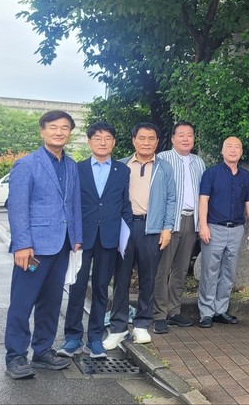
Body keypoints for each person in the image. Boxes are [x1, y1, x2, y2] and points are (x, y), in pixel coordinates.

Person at [4, 110, 82, 379]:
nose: (59, 132)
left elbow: (73, 204)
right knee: (22, 302)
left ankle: (42, 351)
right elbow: (17, 207)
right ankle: (15, 356)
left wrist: (77, 238)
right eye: (53, 127)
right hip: (33, 249)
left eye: (65, 128)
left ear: (69, 133)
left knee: (51, 302)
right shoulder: (27, 164)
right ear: (42, 131)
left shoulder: (71, 165)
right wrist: (22, 244)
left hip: (62, 245)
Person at [58, 122, 133, 359]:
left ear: (114, 142)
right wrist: (71, 235)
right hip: (81, 238)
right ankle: (72, 337)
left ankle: (95, 339)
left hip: (109, 238)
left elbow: (124, 205)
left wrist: (126, 236)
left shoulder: (122, 171)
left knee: (101, 288)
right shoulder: (77, 168)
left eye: (107, 138)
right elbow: (70, 204)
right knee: (77, 286)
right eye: (97, 138)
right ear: (89, 141)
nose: (102, 142)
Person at [103, 122, 176, 350]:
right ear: (134, 140)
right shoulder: (120, 165)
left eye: (151, 138)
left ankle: (142, 323)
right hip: (124, 228)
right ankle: (118, 327)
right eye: (142, 138)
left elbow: (171, 199)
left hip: (151, 229)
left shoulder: (164, 168)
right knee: (121, 278)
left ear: (157, 142)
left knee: (148, 278)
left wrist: (167, 228)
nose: (146, 142)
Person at [197, 136, 249, 328]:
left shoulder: (246, 176)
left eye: (237, 147)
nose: (233, 150)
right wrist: (203, 225)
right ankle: (206, 312)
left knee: (228, 272)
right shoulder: (211, 174)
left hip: (236, 229)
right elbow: (203, 200)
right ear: (222, 151)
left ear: (241, 152)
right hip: (214, 228)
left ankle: (221, 309)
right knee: (210, 271)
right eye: (229, 146)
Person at [153, 122, 206, 334]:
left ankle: (174, 311)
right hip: (169, 222)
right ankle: (159, 314)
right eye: (181, 135)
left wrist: (202, 223)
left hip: (191, 221)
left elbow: (203, 195)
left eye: (190, 135)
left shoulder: (198, 162)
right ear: (173, 138)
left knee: (181, 268)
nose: (186, 138)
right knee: (162, 269)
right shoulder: (162, 158)